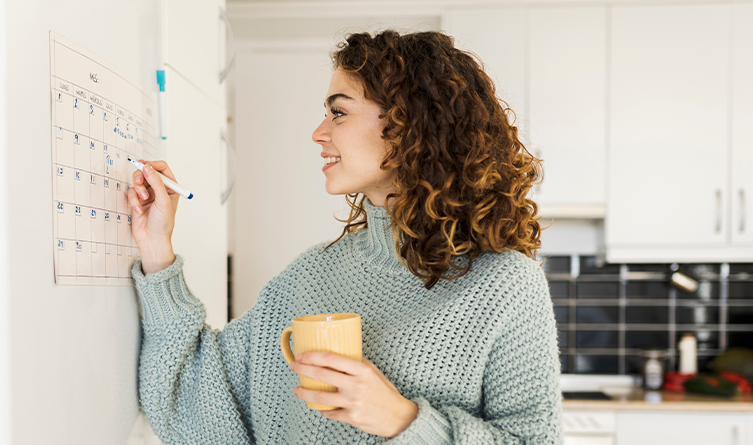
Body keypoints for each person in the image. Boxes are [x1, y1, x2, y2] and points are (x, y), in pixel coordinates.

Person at [128, 30, 562, 444]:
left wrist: (404, 421)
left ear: (411, 123)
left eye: (338, 112)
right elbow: (196, 395)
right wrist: (157, 249)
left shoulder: (506, 285)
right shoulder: (311, 273)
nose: (318, 133)